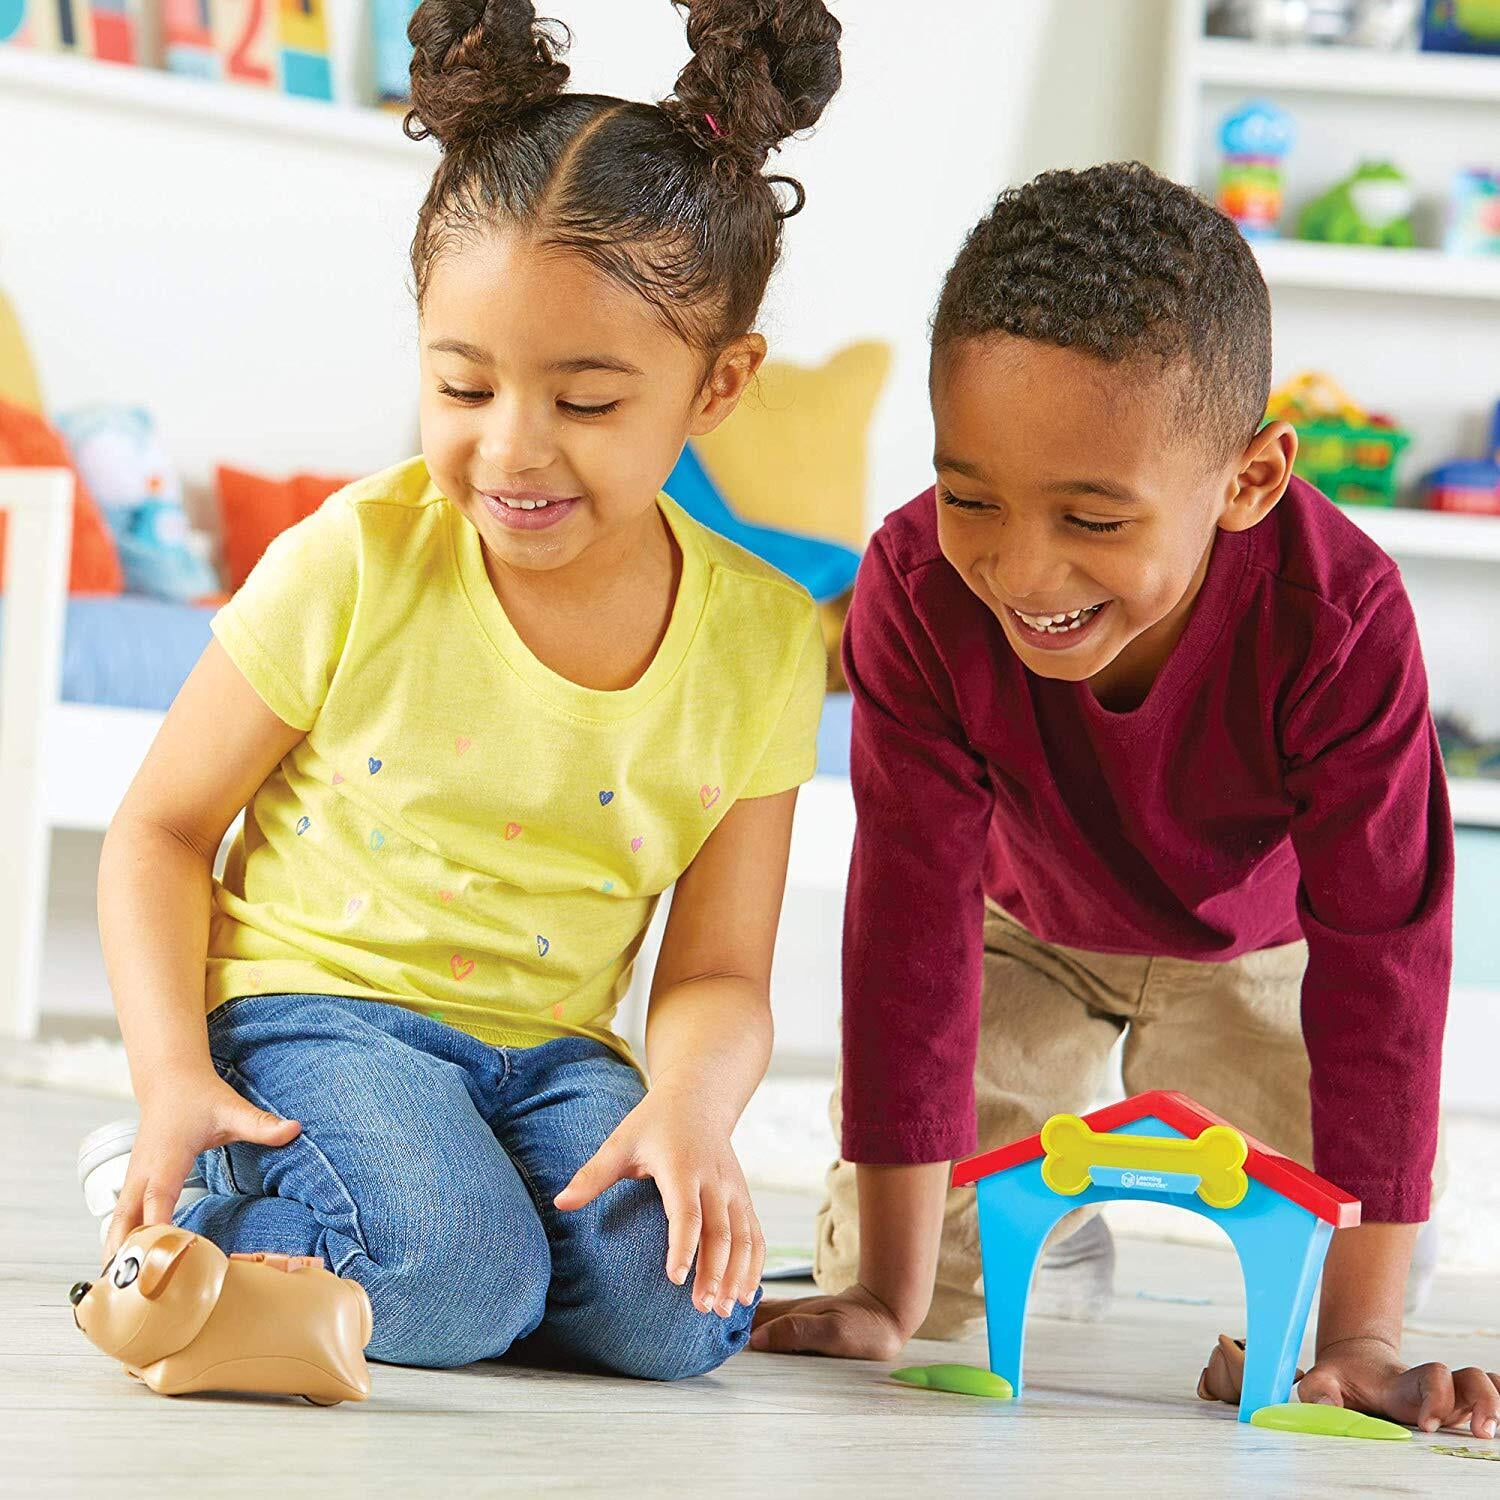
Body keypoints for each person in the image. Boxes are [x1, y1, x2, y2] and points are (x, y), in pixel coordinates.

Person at [85, 0, 841, 1380]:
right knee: (453, 1276)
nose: (513, 449)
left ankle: (439, 1246)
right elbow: (160, 830)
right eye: (463, 385)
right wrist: (169, 1072)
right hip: (317, 1013)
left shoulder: (765, 642)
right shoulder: (359, 559)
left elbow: (721, 971)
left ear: (719, 385)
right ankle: (223, 1201)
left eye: (587, 402)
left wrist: (690, 1106)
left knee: (683, 1314)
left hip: (552, 1055)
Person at [755, 163, 1498, 1441]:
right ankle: (1056, 1238)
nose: (1021, 569)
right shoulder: (916, 589)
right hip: (1026, 935)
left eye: (1093, 519)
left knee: (1344, 1268)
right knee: (931, 1280)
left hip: (1256, 955)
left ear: (1250, 480)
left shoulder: (1340, 618)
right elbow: (908, 924)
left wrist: (1362, 1341)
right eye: (972, 497)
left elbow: (1385, 959)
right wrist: (886, 1290)